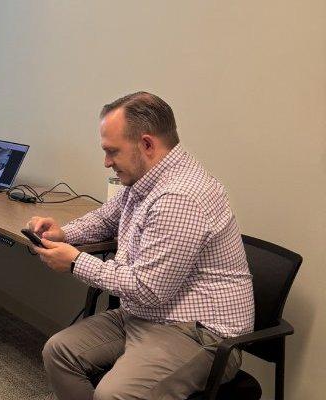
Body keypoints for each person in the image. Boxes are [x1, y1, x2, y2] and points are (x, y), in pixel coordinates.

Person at [27, 92, 254, 400]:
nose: (107, 162)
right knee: (59, 352)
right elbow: (106, 218)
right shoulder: (146, 179)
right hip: (146, 315)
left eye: (112, 151)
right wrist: (63, 234)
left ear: (146, 144)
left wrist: (76, 262)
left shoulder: (180, 196)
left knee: (113, 394)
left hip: (200, 334)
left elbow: (148, 289)